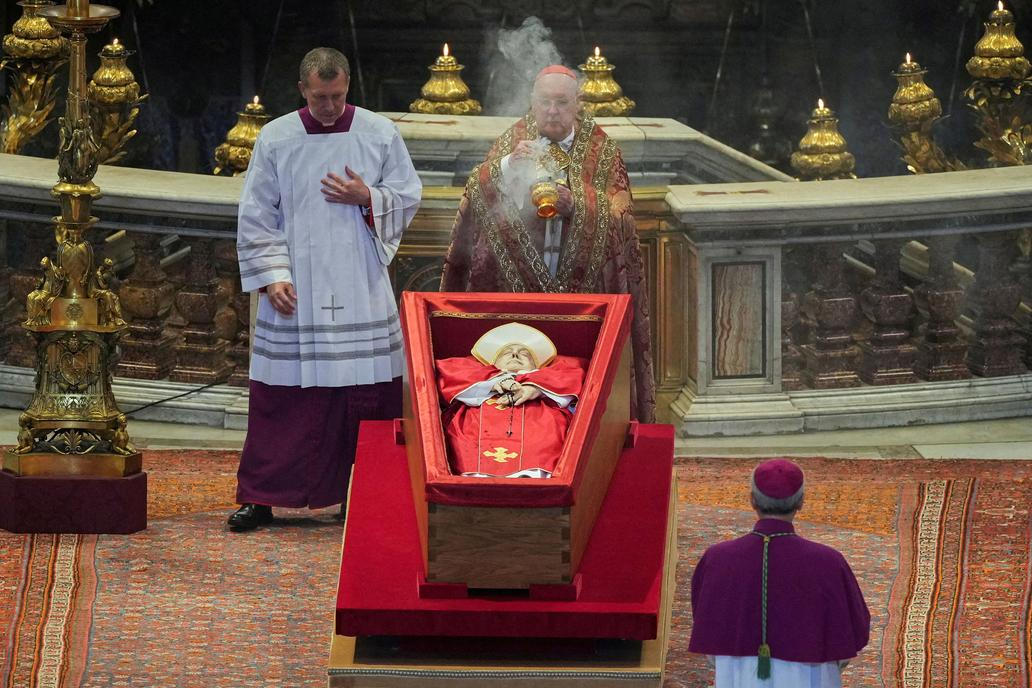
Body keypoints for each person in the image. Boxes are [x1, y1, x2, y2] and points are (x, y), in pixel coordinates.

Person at [229, 47, 422, 531]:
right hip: (295, 288)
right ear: (302, 90)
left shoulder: (379, 133)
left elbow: (408, 193)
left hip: (358, 283)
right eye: (320, 97)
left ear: (348, 86)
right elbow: (256, 213)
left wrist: (369, 197)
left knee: (367, 395)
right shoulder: (276, 138)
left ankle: (365, 493)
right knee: (282, 398)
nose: (330, 107)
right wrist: (273, 276)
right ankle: (262, 497)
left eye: (337, 96)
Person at [439, 65, 656, 424]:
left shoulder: (603, 152)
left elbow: (622, 218)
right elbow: (475, 196)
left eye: (561, 103)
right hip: (516, 294)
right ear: (532, 102)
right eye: (545, 102)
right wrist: (507, 167)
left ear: (579, 104)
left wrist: (580, 206)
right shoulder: (512, 142)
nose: (552, 111)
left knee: (583, 391)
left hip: (582, 294)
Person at [688, 459, 870, 687]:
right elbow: (856, 630)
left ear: (752, 500)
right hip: (810, 675)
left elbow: (706, 620)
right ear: (801, 502)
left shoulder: (718, 558)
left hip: (739, 674)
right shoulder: (829, 562)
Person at [435, 322, 586, 478]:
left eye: (524, 354)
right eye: (507, 352)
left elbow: (576, 376)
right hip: (476, 437)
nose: (515, 355)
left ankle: (534, 476)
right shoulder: (476, 374)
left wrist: (535, 387)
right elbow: (448, 373)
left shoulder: (552, 376)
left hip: (538, 432)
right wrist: (495, 383)